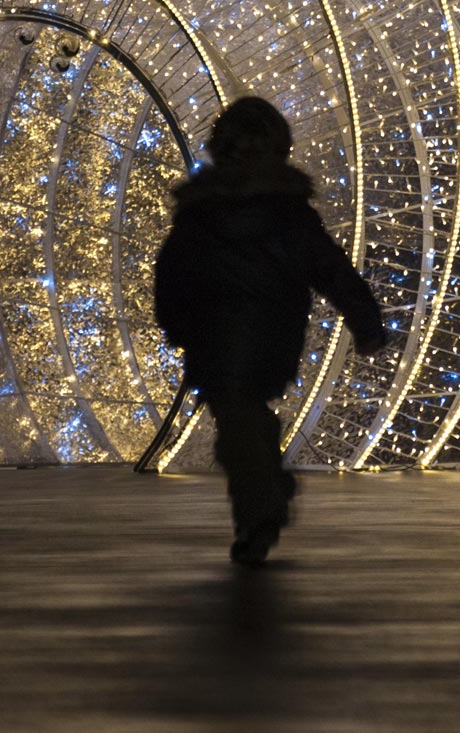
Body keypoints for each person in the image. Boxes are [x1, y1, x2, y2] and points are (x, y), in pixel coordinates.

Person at [154, 97, 387, 567]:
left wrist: (175, 323)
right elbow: (330, 268)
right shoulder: (288, 211)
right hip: (272, 333)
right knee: (245, 416)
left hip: (215, 334)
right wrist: (365, 321)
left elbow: (172, 273)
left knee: (236, 421)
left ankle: (259, 511)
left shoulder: (200, 211)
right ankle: (262, 502)